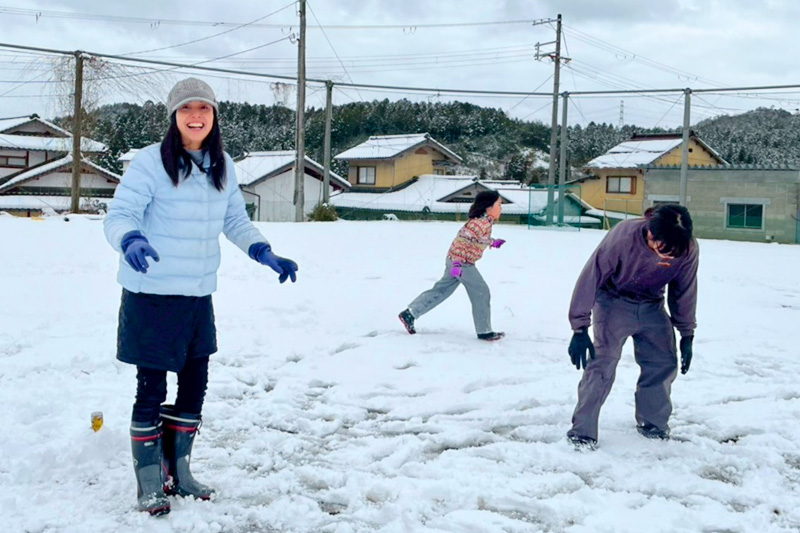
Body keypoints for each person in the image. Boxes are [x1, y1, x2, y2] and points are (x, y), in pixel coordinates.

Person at [104, 78, 299, 515]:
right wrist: (130, 239)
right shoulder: (150, 162)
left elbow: (235, 220)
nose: (196, 116)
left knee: (195, 385)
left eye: (204, 108)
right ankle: (149, 482)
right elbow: (121, 213)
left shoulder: (221, 164)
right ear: (174, 116)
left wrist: (263, 251)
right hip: (152, 292)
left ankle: (180, 471)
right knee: (151, 388)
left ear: (214, 116)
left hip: (196, 294)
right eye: (187, 108)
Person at [565, 204, 698, 450]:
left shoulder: (687, 248)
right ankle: (582, 432)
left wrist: (686, 333)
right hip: (613, 301)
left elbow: (684, 290)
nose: (666, 257)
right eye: (662, 249)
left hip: (651, 304)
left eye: (672, 253)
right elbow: (591, 276)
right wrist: (579, 327)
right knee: (602, 363)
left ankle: (653, 425)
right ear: (651, 233)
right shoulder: (624, 236)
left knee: (663, 362)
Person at [398, 190, 506, 341]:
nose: (501, 208)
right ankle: (484, 331)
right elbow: (462, 242)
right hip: (461, 263)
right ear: (489, 206)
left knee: (442, 290)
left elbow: (475, 239)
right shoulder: (479, 223)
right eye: (499, 204)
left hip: (454, 260)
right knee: (481, 291)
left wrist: (492, 242)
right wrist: (457, 264)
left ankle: (410, 314)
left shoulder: (483, 222)